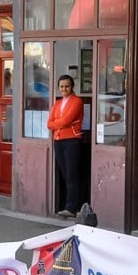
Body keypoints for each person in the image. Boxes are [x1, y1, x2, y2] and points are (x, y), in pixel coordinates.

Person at [47, 74, 84, 218]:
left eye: (67, 86)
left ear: (72, 86)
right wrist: (59, 123)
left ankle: (72, 207)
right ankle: (71, 205)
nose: (64, 89)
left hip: (72, 140)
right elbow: (49, 124)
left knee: (72, 174)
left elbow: (65, 121)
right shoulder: (57, 103)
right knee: (64, 173)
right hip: (58, 140)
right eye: (61, 86)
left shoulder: (77, 101)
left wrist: (58, 123)